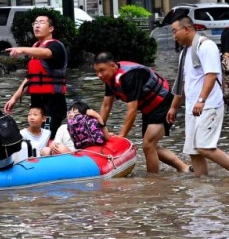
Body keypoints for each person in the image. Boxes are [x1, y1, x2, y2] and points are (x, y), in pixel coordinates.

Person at [93, 52, 189, 173]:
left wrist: (121, 136)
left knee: (148, 145)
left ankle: (153, 182)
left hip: (164, 104)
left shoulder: (129, 76)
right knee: (149, 146)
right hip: (149, 108)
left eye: (102, 70)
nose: (99, 75)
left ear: (113, 66)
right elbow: (106, 106)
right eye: (96, 72)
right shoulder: (110, 78)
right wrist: (97, 130)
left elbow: (132, 110)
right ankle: (184, 168)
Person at [166, 15, 229, 177]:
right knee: (194, 151)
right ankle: (201, 189)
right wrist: (174, 107)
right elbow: (183, 83)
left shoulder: (206, 46)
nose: (174, 36)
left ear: (186, 29)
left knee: (204, 147)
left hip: (209, 105)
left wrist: (201, 100)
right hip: (192, 108)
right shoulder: (184, 53)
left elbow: (211, 75)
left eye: (175, 31)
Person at [4, 12, 68, 136]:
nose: (37, 26)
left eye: (41, 23)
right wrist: (14, 98)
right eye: (35, 23)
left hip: (52, 102)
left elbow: (47, 53)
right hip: (37, 101)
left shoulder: (56, 46)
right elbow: (30, 79)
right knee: (35, 133)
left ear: (51, 29)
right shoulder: (36, 48)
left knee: (47, 134)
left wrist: (22, 49)